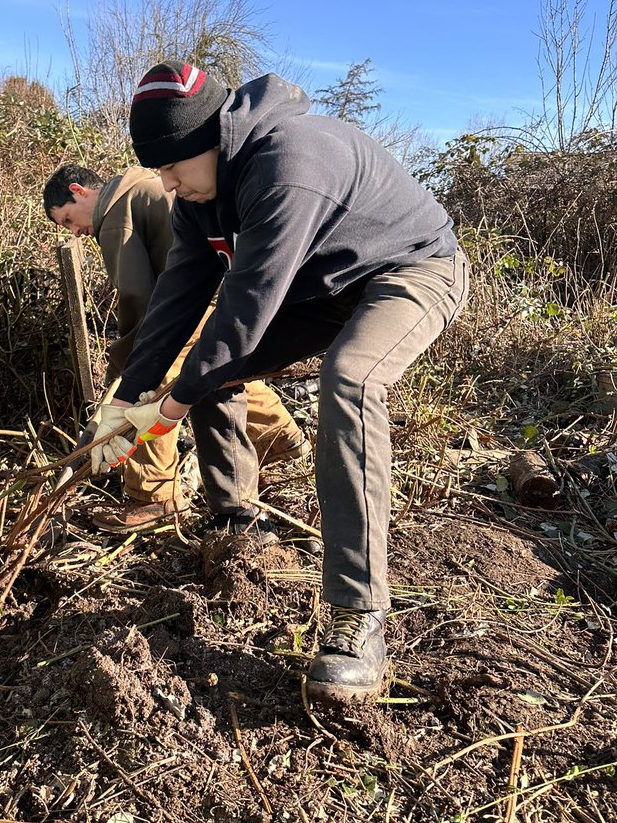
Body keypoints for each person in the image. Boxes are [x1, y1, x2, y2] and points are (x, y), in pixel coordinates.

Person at [90, 61, 469, 703]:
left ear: (212, 137)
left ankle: (359, 617)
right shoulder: (197, 198)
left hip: (411, 271)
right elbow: (179, 300)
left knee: (349, 379)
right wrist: (126, 395)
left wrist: (167, 410)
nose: (166, 181)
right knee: (209, 369)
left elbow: (246, 307)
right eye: (158, 168)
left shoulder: (288, 162)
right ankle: (237, 521)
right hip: (322, 290)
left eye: (175, 165)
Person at [43, 163, 308, 533]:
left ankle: (153, 498)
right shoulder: (144, 188)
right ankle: (284, 438)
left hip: (191, 302)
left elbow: (138, 299)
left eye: (68, 219)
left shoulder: (115, 211)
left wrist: (126, 376)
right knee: (217, 372)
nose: (75, 232)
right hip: (219, 293)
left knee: (150, 388)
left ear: (80, 190)